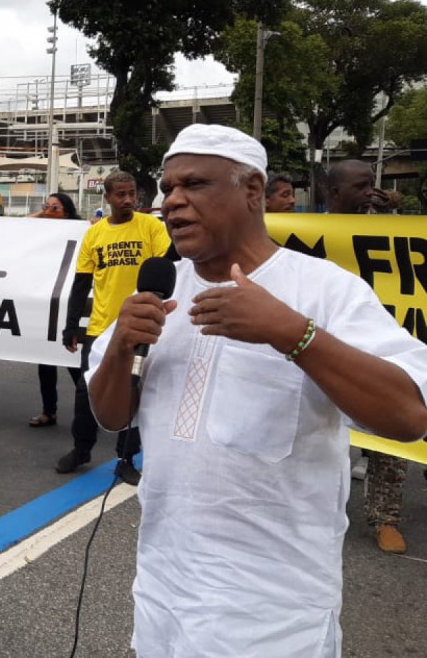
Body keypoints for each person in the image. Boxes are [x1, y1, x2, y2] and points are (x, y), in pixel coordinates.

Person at [87, 123, 427, 657]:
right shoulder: (160, 289)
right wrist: (120, 349)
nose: (171, 202)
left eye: (194, 185)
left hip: (274, 617)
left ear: (251, 191)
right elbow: (112, 416)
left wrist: (293, 334)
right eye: (167, 187)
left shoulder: (324, 290)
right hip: (164, 597)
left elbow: (409, 415)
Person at [58, 170, 171, 484]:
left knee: (134, 393)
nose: (128, 200)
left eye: (132, 193)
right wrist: (70, 327)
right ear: (106, 198)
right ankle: (81, 449)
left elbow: (169, 265)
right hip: (99, 329)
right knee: (86, 394)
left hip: (139, 326)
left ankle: (126, 458)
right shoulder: (94, 235)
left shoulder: (150, 227)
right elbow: (81, 284)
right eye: (120, 195)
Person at [326, 158, 409, 554]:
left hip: (375, 345)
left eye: (372, 186)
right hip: (324, 349)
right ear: (334, 194)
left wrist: (391, 208)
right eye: (360, 187)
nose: (369, 194)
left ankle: (384, 517)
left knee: (386, 439)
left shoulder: (386, 228)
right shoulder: (310, 236)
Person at [29, 192, 85, 427]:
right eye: (47, 207)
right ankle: (48, 411)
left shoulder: (79, 232)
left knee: (75, 363)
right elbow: (20, 225)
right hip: (47, 305)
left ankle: (92, 410)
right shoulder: (42, 233)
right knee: (45, 362)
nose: (49, 211)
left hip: (70, 305)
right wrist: (44, 213)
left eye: (55, 208)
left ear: (68, 212)